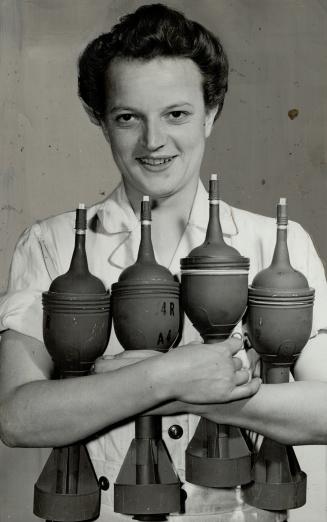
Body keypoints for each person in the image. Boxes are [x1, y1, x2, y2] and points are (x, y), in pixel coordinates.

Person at [0, 4, 327, 522]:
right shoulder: (49, 245)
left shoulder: (274, 244)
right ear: (100, 121)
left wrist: (170, 391)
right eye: (129, 117)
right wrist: (175, 376)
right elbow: (17, 417)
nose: (154, 142)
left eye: (177, 114)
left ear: (211, 113)